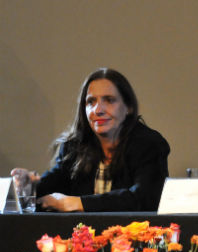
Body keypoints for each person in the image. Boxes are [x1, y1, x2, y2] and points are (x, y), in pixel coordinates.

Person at [11, 68, 170, 212]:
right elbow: (54, 183)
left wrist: (79, 203)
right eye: (91, 102)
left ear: (129, 108)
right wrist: (29, 186)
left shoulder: (149, 144)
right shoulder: (74, 145)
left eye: (109, 100)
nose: (98, 110)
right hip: (80, 240)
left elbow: (146, 198)